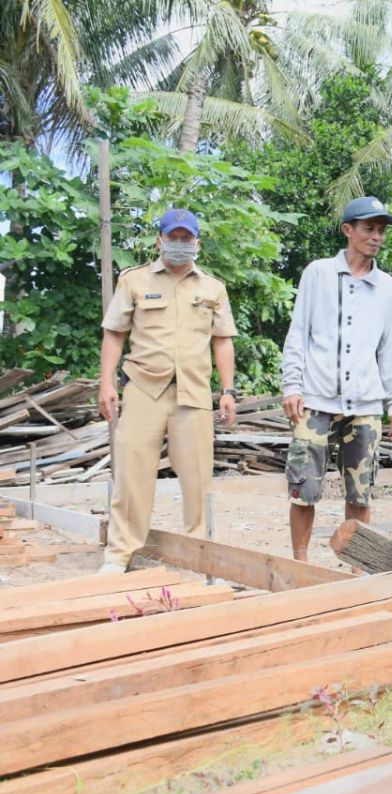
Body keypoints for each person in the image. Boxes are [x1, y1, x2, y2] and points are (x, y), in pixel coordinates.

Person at [97, 209, 238, 573]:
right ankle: (119, 553)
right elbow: (114, 333)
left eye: (186, 238)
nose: (179, 244)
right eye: (172, 238)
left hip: (193, 392)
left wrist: (228, 390)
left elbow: (223, 342)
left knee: (198, 479)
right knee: (132, 474)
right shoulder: (134, 281)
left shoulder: (213, 288)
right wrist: (107, 382)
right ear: (159, 240)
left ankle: (198, 552)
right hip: (144, 388)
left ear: (197, 243)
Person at [281, 196, 392, 562]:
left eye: (381, 230)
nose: (376, 237)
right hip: (316, 399)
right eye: (369, 228)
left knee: (361, 492)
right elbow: (298, 333)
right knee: (304, 488)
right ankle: (301, 564)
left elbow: (387, 350)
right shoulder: (318, 273)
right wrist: (292, 385)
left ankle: (357, 567)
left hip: (365, 403)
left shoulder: (388, 287)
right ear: (348, 230)